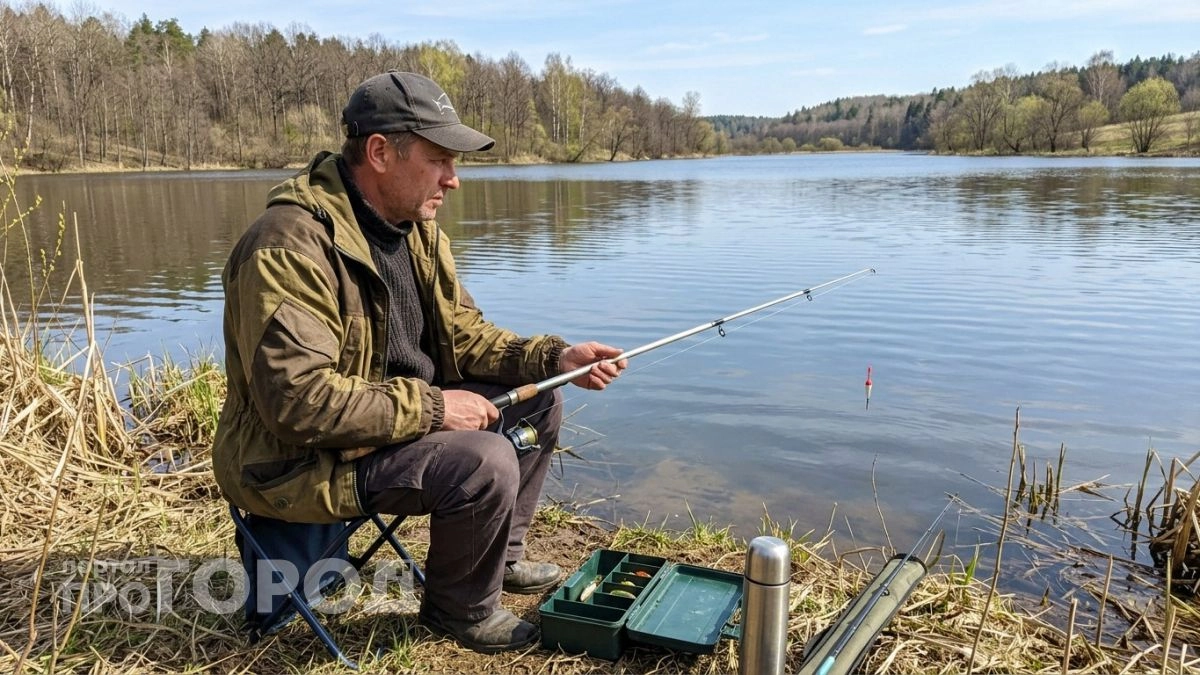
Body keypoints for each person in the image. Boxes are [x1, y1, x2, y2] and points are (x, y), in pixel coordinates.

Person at [211, 71, 627, 654]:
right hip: (299, 459)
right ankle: (460, 612)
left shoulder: (417, 230)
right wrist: (435, 409)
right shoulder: (288, 245)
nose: (453, 181)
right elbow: (298, 404)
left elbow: (464, 335)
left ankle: (499, 558)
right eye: (440, 160)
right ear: (380, 152)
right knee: (483, 461)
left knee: (543, 396)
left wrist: (552, 357)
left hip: (387, 426)